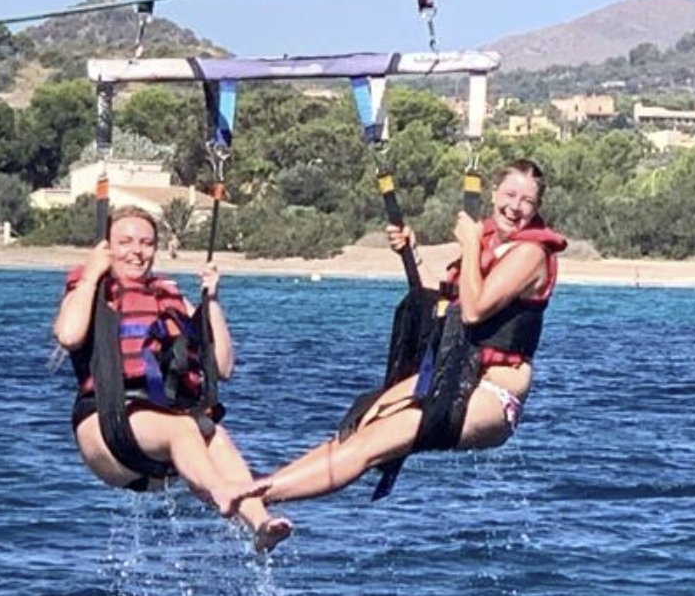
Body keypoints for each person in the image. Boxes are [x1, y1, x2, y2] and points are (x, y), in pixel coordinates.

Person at [242, 159, 567, 504]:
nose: (515, 207)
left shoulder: (530, 253)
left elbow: (473, 311)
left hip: (492, 394)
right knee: (358, 428)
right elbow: (444, 300)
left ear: (537, 208)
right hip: (453, 376)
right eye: (510, 194)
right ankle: (260, 501)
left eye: (527, 201)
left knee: (370, 445)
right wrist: (411, 253)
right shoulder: (485, 242)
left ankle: (255, 498)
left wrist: (470, 244)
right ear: (493, 193)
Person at [52, 206, 290, 552]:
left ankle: (260, 524)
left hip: (159, 443)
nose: (137, 251)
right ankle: (220, 491)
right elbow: (69, 335)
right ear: (106, 248)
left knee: (216, 435)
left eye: (147, 243)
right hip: (107, 427)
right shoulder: (92, 291)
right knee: (185, 429)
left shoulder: (170, 297)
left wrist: (212, 301)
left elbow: (222, 367)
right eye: (125, 242)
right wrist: (91, 274)